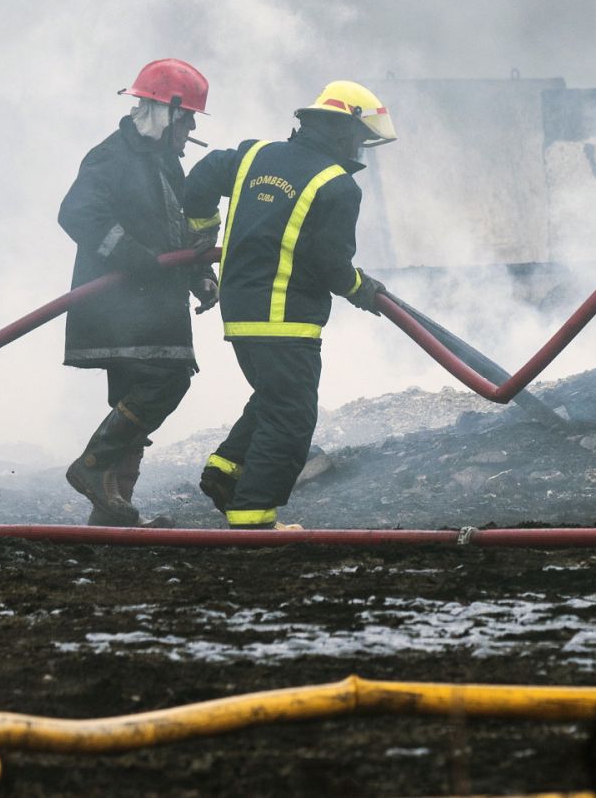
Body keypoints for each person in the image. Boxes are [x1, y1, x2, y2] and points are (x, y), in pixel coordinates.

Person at [181, 81, 395, 529]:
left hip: (239, 312)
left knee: (277, 399)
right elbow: (330, 264)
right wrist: (361, 288)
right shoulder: (338, 187)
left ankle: (225, 473)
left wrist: (204, 229)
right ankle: (253, 518)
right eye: (359, 138)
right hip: (285, 320)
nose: (360, 148)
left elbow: (200, 178)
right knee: (292, 418)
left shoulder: (253, 155)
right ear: (343, 130)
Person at [58, 59, 217, 527]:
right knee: (166, 381)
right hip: (120, 308)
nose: (189, 128)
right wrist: (131, 256)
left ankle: (110, 515)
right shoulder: (111, 156)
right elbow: (77, 214)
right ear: (163, 112)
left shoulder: (165, 165)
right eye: (186, 117)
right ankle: (91, 468)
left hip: (151, 306)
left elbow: (176, 231)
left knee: (132, 404)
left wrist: (199, 277)